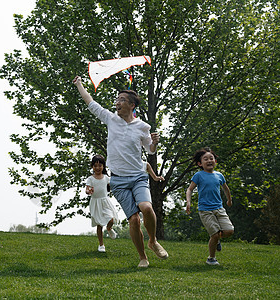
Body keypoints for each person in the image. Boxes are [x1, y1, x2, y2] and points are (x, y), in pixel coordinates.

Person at [73, 75, 168, 268]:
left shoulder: (143, 127)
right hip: (118, 180)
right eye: (117, 99)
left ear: (132, 105)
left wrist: (155, 143)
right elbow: (90, 102)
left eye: (122, 100)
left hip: (138, 177)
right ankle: (143, 257)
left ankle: (152, 241)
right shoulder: (111, 119)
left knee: (147, 208)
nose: (117, 102)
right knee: (133, 220)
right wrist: (80, 85)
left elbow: (150, 150)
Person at [186, 147, 234, 265]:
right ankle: (211, 258)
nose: (209, 161)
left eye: (211, 158)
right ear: (200, 163)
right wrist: (188, 202)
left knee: (229, 231)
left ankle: (216, 240)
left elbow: (225, 188)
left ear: (215, 161)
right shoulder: (199, 175)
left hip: (219, 208)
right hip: (205, 210)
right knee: (214, 234)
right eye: (205, 159)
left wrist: (229, 200)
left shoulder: (219, 175)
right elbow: (190, 189)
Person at [85, 155, 119, 253]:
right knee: (99, 224)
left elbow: (112, 186)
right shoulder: (90, 179)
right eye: (95, 166)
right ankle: (101, 245)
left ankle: (109, 228)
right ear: (92, 167)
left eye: (100, 166)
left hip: (105, 202)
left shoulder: (106, 178)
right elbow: (87, 189)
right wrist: (89, 191)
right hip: (95, 203)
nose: (97, 168)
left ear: (103, 166)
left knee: (111, 218)